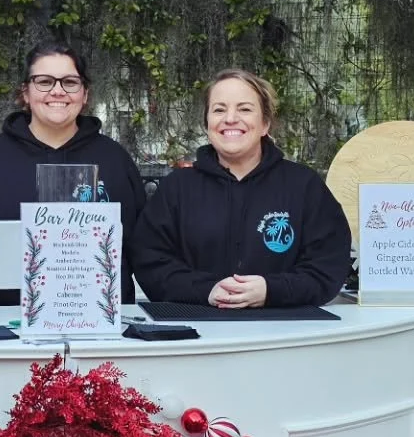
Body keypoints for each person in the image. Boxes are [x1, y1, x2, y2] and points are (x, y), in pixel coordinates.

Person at [131, 69, 351, 308]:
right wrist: (206, 290)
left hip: (285, 335)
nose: (230, 118)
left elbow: (327, 267)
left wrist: (271, 290)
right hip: (196, 333)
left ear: (265, 123)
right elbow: (151, 261)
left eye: (245, 109)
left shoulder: (304, 186)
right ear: (207, 124)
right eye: (219, 109)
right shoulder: (177, 189)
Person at [0, 42, 148, 306]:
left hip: (97, 322)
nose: (57, 91)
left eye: (70, 82)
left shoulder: (114, 159)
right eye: (44, 81)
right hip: (5, 322)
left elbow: (141, 246)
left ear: (85, 93)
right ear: (25, 92)